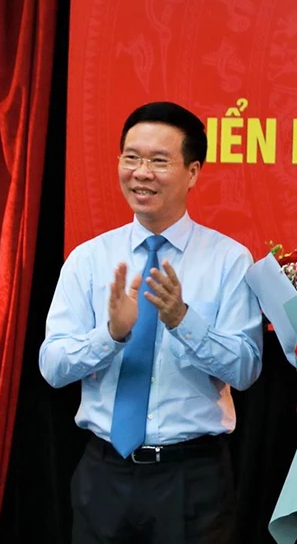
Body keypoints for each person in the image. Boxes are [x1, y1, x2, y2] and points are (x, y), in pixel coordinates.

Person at [39, 101, 263, 543]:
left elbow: (246, 370)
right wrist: (112, 334)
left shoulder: (229, 260)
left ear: (192, 172)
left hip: (192, 478)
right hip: (104, 474)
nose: (141, 173)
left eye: (159, 161)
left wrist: (182, 320)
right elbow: (53, 367)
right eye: (132, 158)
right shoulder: (88, 258)